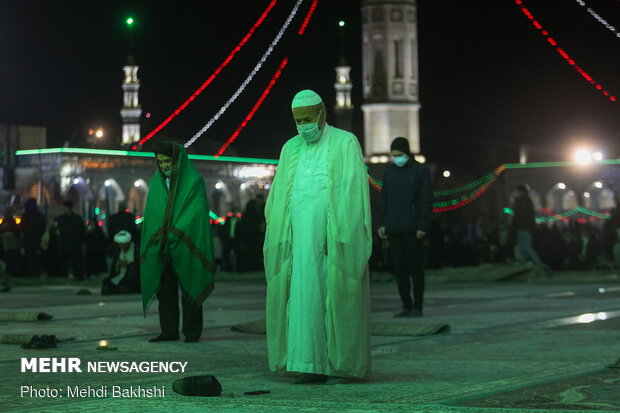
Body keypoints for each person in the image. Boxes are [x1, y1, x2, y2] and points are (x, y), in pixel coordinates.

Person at [264, 90, 372, 384]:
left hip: (332, 241)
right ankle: (307, 363)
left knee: (335, 295)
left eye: (308, 118)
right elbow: (277, 199)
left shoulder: (344, 142)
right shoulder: (290, 148)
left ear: (322, 113)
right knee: (302, 298)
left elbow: (352, 194)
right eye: (298, 120)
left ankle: (338, 364)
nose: (303, 125)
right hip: (299, 245)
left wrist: (340, 232)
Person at [141, 141, 215, 343]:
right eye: (160, 161)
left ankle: (192, 332)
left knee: (190, 288)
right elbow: (153, 212)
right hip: (163, 247)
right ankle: (169, 331)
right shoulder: (156, 182)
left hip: (185, 245)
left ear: (178, 160)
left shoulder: (193, 182)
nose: (163, 165)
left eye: (167, 161)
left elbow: (195, 214)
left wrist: (173, 233)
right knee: (166, 293)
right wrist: (160, 237)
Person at [377, 137, 433, 317]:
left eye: (399, 155)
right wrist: (384, 223)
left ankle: (417, 306)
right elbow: (384, 199)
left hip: (413, 228)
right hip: (394, 228)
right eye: (394, 155)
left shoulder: (420, 171)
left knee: (415, 269)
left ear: (407, 153)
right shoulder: (390, 172)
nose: (396, 158)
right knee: (400, 270)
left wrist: (423, 225)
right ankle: (406, 306)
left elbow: (425, 199)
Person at [511, 185, 550, 275]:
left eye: (517, 191)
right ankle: (522, 266)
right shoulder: (522, 201)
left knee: (527, 247)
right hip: (523, 228)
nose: (516, 193)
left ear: (521, 192)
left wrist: (518, 227)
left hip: (525, 228)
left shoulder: (524, 202)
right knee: (521, 248)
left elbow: (522, 217)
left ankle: (540, 265)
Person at [102, 230, 140, 295]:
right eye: (119, 244)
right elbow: (114, 267)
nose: (121, 246)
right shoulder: (118, 250)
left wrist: (127, 265)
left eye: (123, 244)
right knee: (106, 284)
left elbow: (138, 266)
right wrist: (118, 265)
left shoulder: (136, 251)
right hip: (120, 275)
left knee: (124, 286)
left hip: (132, 277)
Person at [57, 200, 85, 279]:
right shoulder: (75, 218)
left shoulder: (63, 219)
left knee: (74, 260)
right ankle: (71, 274)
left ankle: (76, 275)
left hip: (71, 242)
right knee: (68, 260)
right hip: (70, 243)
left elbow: (81, 231)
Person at [21, 199, 47, 277]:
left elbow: (23, 227)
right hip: (37, 239)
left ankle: (38, 272)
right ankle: (33, 272)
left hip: (28, 239)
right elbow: (43, 227)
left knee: (30, 257)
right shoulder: (39, 215)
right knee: (33, 256)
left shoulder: (26, 215)